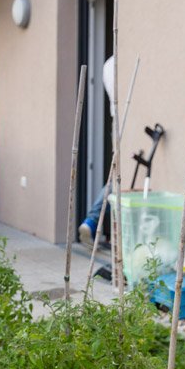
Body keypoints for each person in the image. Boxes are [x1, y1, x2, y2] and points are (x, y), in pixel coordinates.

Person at [79, 55, 116, 244]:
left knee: (115, 177)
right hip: (122, 122)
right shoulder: (117, 63)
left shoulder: (108, 64)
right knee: (116, 180)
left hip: (115, 122)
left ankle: (92, 221)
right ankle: (93, 221)